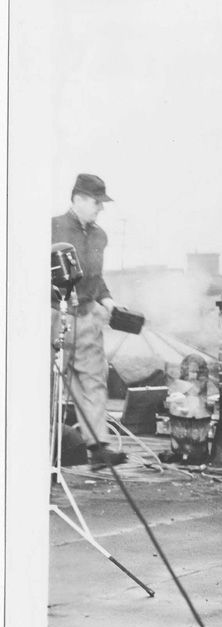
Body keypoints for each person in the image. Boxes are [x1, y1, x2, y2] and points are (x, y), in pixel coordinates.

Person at [51, 173, 126, 469]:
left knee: (94, 383)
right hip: (54, 315)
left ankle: (98, 449)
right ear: (78, 199)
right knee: (46, 386)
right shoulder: (50, 228)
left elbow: (97, 277)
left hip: (87, 316)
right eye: (97, 202)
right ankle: (36, 454)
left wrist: (108, 302)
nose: (101, 208)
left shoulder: (100, 236)